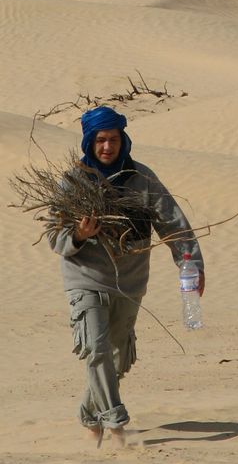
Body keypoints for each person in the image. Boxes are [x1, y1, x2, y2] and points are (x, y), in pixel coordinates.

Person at [47, 106, 205, 445]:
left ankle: (91, 417)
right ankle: (116, 426)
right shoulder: (73, 182)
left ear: (123, 140)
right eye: (100, 140)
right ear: (89, 142)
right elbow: (54, 237)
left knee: (117, 354)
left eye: (113, 140)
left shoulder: (141, 178)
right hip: (85, 278)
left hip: (130, 282)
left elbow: (172, 223)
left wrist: (191, 264)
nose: (107, 147)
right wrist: (79, 235)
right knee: (96, 349)